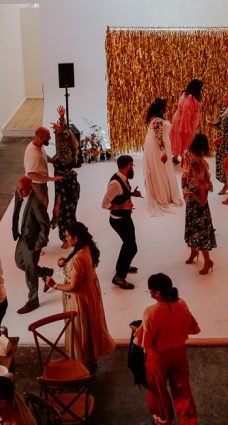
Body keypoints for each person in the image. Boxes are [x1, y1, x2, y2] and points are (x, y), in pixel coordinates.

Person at [45, 221, 116, 367]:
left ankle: (82, 362)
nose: (66, 239)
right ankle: (89, 357)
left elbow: (73, 286)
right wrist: (66, 262)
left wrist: (54, 285)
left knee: (79, 329)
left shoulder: (78, 258)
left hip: (79, 299)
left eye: (67, 236)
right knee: (88, 326)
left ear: (75, 238)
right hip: (89, 293)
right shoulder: (87, 247)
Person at [135, 273, 201, 425]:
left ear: (157, 293)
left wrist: (137, 331)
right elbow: (191, 326)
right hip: (179, 353)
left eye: (150, 290)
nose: (150, 293)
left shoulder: (151, 312)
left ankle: (163, 417)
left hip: (158, 357)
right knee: (182, 387)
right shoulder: (182, 304)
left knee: (158, 389)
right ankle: (188, 420)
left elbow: (146, 342)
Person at [11, 176, 52, 315]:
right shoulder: (19, 195)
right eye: (17, 189)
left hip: (32, 243)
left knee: (30, 272)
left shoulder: (37, 203)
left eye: (22, 190)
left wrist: (39, 244)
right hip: (22, 238)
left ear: (30, 188)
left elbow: (45, 225)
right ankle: (45, 272)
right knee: (19, 263)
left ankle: (33, 300)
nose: (19, 192)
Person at [101, 155, 141, 289]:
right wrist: (122, 207)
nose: (133, 167)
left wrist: (132, 194)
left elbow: (122, 193)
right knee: (131, 246)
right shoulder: (115, 183)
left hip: (125, 218)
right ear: (128, 165)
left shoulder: (123, 178)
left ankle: (122, 265)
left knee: (128, 244)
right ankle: (119, 276)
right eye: (132, 165)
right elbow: (104, 204)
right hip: (119, 220)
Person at [182, 134, 216, 275]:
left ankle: (207, 261)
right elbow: (186, 176)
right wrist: (187, 190)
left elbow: (203, 200)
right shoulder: (195, 172)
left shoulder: (202, 183)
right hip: (192, 207)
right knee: (191, 232)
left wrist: (191, 194)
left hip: (199, 212)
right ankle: (193, 252)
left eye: (191, 171)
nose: (189, 171)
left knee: (201, 237)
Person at [142, 98, 183, 215]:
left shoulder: (153, 118)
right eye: (165, 106)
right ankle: (162, 194)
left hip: (153, 144)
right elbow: (159, 138)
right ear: (161, 107)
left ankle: (160, 191)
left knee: (158, 169)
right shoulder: (158, 120)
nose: (166, 108)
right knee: (161, 169)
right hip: (159, 146)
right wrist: (163, 153)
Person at [49, 105, 81, 244]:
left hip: (66, 188)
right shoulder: (66, 147)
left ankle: (68, 239)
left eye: (56, 132)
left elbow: (65, 133)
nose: (55, 133)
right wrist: (61, 118)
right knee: (66, 214)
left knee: (64, 214)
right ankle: (68, 237)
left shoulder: (65, 155)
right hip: (66, 185)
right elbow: (65, 133)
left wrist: (57, 202)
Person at [24, 127, 62, 211]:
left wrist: (52, 161)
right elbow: (32, 175)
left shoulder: (38, 145)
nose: (50, 138)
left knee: (43, 203)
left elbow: (43, 155)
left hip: (41, 182)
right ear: (40, 138)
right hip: (37, 185)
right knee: (42, 205)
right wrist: (51, 179)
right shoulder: (34, 154)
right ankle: (41, 222)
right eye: (48, 137)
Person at [169, 79, 203, 164]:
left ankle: (176, 157)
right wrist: (185, 127)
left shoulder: (186, 94)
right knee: (186, 139)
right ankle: (184, 159)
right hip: (183, 121)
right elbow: (186, 113)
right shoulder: (190, 98)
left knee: (179, 138)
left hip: (179, 119)